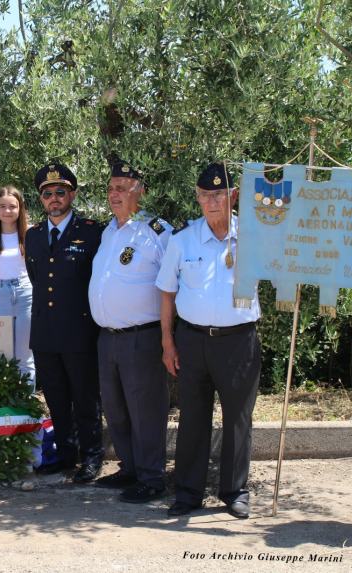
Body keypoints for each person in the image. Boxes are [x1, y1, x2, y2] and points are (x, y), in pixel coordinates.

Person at [156, 162, 261, 519]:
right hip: (193, 341)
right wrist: (167, 343)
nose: (212, 201)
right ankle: (188, 493)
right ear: (198, 198)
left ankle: (235, 492)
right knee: (193, 418)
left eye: (219, 194)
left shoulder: (255, 236)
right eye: (205, 195)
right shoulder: (182, 240)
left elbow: (284, 269)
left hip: (239, 342)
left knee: (238, 419)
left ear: (232, 197)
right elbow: (167, 293)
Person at [88, 159, 172, 503]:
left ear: (141, 191)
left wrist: (170, 337)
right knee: (117, 408)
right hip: (108, 338)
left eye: (122, 188)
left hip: (142, 336)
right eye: (110, 188)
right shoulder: (108, 231)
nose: (114, 194)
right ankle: (130, 469)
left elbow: (173, 286)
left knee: (145, 409)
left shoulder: (156, 231)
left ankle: (153, 478)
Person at [24, 162, 104, 482]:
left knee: (85, 398)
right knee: (56, 398)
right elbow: (37, 279)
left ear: (71, 194)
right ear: (41, 199)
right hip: (45, 332)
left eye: (60, 192)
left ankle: (92, 456)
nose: (54, 199)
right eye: (47, 194)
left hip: (79, 330)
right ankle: (66, 454)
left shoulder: (90, 231)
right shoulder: (32, 236)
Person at [0, 185, 35, 389]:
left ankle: (26, 407)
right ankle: (4, 406)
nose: (7, 211)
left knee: (25, 354)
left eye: (12, 206)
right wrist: (0, 292)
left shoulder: (31, 236)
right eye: (2, 206)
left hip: (26, 295)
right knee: (0, 352)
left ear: (20, 209)